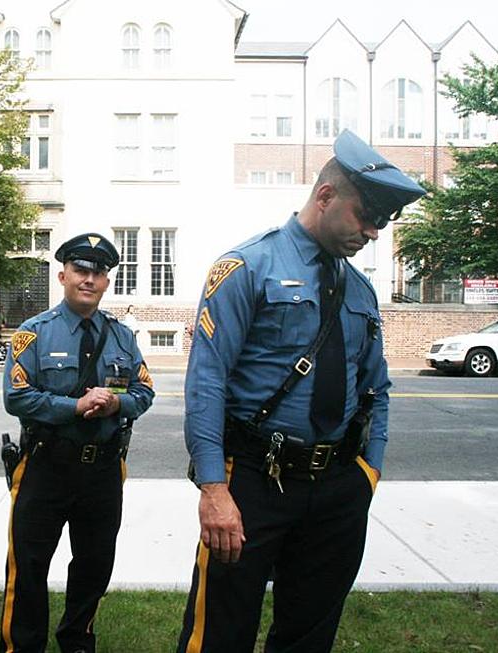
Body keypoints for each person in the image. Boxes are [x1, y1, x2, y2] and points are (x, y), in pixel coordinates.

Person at [177, 130, 425, 653]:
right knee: (220, 633)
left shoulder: (359, 290)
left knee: (308, 637)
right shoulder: (246, 267)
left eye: (382, 221)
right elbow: (206, 382)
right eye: (366, 215)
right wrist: (213, 489)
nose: (374, 232)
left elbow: (377, 389)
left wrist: (367, 473)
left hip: (337, 488)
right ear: (326, 196)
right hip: (251, 485)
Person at [0, 233, 155, 653]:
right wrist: (74, 406)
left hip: (103, 470)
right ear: (63, 274)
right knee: (28, 566)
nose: (89, 279)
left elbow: (144, 393)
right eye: (81, 270)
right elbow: (17, 397)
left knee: (94, 564)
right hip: (47, 465)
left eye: (98, 272)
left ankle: (78, 641)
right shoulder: (34, 333)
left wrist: (114, 405)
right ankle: (21, 646)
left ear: (107, 282)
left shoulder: (122, 337)